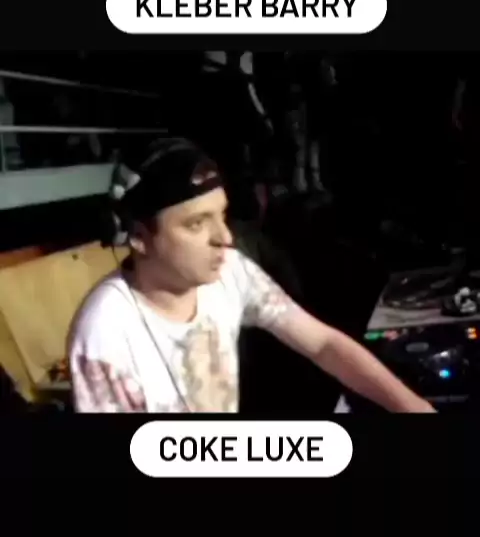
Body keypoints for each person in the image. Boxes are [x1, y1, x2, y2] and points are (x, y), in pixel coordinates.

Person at [68, 137, 435, 413]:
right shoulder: (104, 334)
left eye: (221, 215)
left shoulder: (230, 270)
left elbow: (323, 344)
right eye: (196, 224)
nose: (225, 238)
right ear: (137, 236)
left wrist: (413, 408)